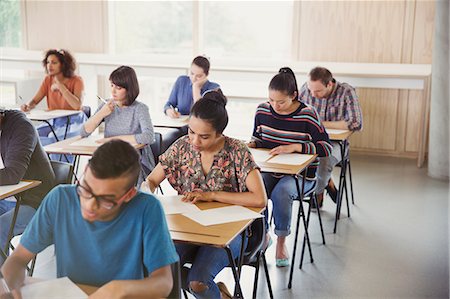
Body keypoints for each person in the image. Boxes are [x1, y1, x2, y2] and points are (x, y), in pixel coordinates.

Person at [0, 140, 178, 299]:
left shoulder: (147, 208)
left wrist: (118, 289)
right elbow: (17, 261)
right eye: (85, 190)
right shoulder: (60, 199)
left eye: (106, 199)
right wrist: (12, 290)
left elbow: (163, 283)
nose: (90, 205)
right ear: (85, 172)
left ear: (129, 195)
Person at [144, 90, 267, 299]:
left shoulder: (237, 151)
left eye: (204, 136)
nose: (195, 141)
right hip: (188, 228)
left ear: (220, 133)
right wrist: (147, 197)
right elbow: (152, 180)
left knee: (197, 282)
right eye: (191, 131)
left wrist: (213, 195)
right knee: (158, 269)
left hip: (230, 233)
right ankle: (218, 293)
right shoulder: (182, 146)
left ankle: (214, 292)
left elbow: (259, 198)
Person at [248, 67, 332, 267]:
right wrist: (251, 144)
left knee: (282, 193)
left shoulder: (307, 115)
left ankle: (281, 241)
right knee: (253, 190)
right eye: (271, 100)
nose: (275, 106)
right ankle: (263, 236)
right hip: (270, 169)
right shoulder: (262, 110)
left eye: (281, 101)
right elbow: (258, 138)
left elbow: (326, 147)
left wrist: (296, 147)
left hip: (302, 176)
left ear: (294, 96)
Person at [299, 66, 363, 206]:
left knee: (323, 159)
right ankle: (327, 182)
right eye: (311, 90)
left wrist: (321, 124)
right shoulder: (306, 89)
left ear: (329, 84)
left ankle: (317, 192)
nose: (313, 94)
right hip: (310, 141)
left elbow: (356, 123)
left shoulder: (346, 92)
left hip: (336, 144)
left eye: (317, 91)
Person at [80, 65, 155, 184]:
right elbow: (83, 132)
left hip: (132, 160)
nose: (113, 91)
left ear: (129, 89)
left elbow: (149, 136)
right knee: (91, 176)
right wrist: (102, 113)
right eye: (112, 85)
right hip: (109, 156)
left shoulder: (140, 109)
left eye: (118, 88)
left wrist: (114, 140)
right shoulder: (107, 105)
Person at [0, 109, 55, 266]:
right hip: (8, 197)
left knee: (0, 227)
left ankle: (3, 286)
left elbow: (13, 174)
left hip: (36, 201)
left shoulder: (22, 128)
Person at [20, 49, 87, 145]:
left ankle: (54, 160)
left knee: (52, 139)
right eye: (48, 62)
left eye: (54, 63)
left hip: (74, 121)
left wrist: (60, 86)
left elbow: (77, 106)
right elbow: (35, 101)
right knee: (30, 134)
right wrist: (28, 105)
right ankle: (40, 160)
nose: (49, 66)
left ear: (63, 65)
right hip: (54, 121)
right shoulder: (48, 79)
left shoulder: (77, 81)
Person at [161, 56, 220, 152]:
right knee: (163, 141)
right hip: (182, 128)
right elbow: (169, 104)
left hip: (201, 131)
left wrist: (196, 88)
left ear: (207, 74)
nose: (194, 78)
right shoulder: (181, 81)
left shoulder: (214, 88)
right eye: (192, 73)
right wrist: (169, 111)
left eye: (199, 76)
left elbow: (202, 112)